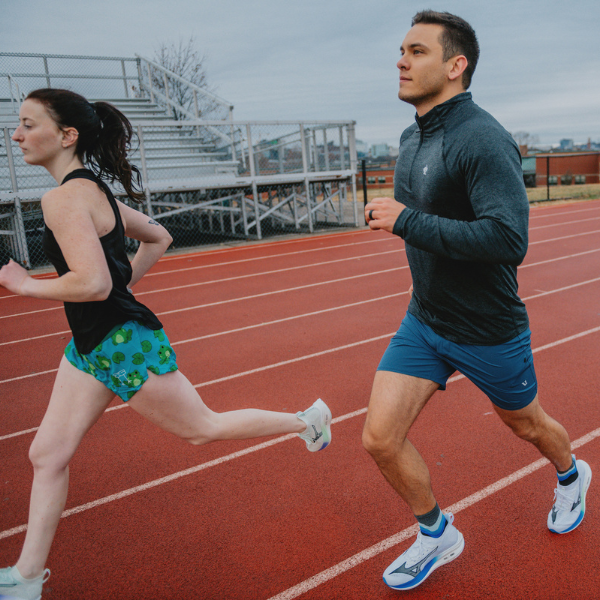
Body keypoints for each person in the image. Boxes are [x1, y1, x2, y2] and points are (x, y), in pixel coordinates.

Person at [0, 88, 332, 600]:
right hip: (92, 346)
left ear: (67, 136)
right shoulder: (93, 191)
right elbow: (158, 238)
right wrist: (120, 288)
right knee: (47, 453)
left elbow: (93, 285)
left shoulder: (64, 197)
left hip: (123, 345)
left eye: (27, 123)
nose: (17, 135)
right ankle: (25, 579)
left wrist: (26, 286)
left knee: (202, 430)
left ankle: (307, 422)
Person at [362, 10, 591, 591]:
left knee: (530, 425)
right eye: (402, 49)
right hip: (425, 321)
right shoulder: (411, 136)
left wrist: (408, 221)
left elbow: (509, 240)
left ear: (455, 65)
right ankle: (437, 534)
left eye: (417, 51)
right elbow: (431, 224)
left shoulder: (484, 139)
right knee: (379, 437)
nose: (401, 60)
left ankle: (571, 475)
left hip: (488, 328)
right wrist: (409, 225)